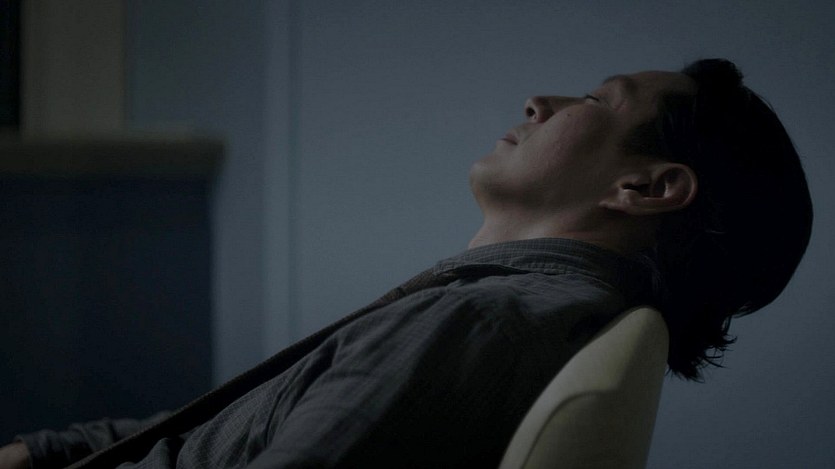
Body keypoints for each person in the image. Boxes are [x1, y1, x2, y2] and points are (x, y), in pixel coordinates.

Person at [0, 58, 813, 468]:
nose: (538, 102)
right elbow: (218, 434)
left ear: (645, 187)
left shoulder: (480, 324)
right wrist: (41, 452)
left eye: (598, 100)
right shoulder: (504, 312)